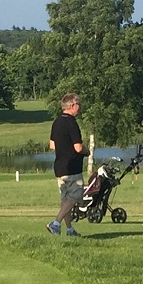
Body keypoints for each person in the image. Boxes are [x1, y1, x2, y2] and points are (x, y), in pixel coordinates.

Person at [46, 91, 85, 236]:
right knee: (74, 197)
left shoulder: (56, 122)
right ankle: (55, 223)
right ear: (73, 105)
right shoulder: (71, 123)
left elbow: (52, 145)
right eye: (78, 105)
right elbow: (78, 147)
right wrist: (86, 151)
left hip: (59, 166)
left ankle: (69, 229)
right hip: (72, 168)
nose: (79, 108)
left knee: (65, 200)